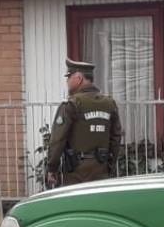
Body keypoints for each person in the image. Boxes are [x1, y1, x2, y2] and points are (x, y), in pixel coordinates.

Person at [46, 59, 122, 187]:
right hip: (101, 170)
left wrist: (52, 168)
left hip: (76, 173)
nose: (67, 81)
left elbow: (58, 140)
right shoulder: (109, 103)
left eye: (69, 77)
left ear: (79, 78)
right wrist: (110, 165)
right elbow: (116, 137)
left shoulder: (72, 104)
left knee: (77, 205)